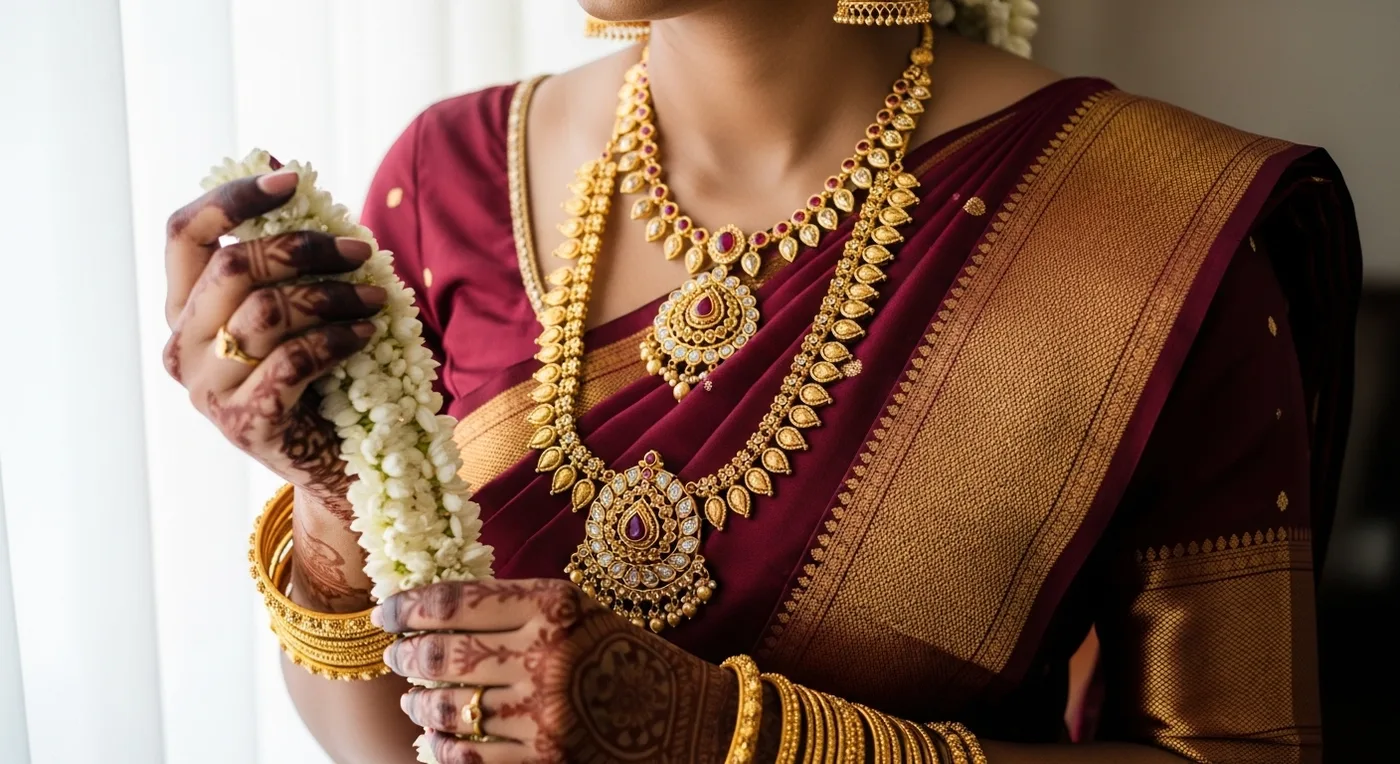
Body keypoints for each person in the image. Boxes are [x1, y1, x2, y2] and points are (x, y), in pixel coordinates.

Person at [160, 2, 1359, 762]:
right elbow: (392, 745)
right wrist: (332, 508)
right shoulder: (450, 176)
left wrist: (722, 737)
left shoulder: (1144, 229)